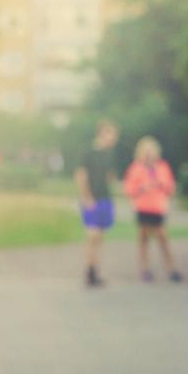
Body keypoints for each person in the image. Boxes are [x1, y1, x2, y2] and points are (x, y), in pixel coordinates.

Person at [123, 136, 183, 283]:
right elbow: (129, 189)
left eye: (151, 150)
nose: (149, 153)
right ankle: (145, 270)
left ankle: (172, 269)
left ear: (156, 152)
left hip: (158, 208)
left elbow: (171, 187)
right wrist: (142, 187)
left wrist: (161, 184)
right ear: (141, 152)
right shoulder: (136, 167)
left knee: (163, 239)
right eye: (146, 151)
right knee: (143, 239)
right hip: (143, 208)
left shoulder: (163, 166)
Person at [75, 119, 119, 288]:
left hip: (105, 199)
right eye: (112, 134)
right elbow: (81, 175)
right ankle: (89, 270)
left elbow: (109, 175)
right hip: (92, 199)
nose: (114, 138)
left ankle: (95, 271)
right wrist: (87, 198)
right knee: (92, 235)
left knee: (100, 237)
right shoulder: (88, 152)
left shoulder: (109, 154)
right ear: (102, 133)